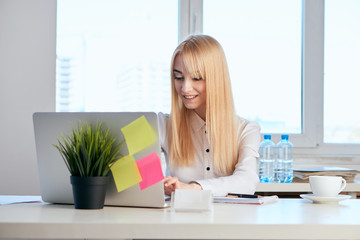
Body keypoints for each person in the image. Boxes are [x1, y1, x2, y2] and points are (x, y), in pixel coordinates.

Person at [159, 34, 260, 197]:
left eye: (196, 78)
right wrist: (157, 183)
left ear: (216, 80)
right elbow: (131, 165)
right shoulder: (163, 124)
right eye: (179, 77)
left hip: (227, 221)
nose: (185, 88)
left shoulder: (246, 130)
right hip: (178, 221)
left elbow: (247, 181)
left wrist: (193, 188)